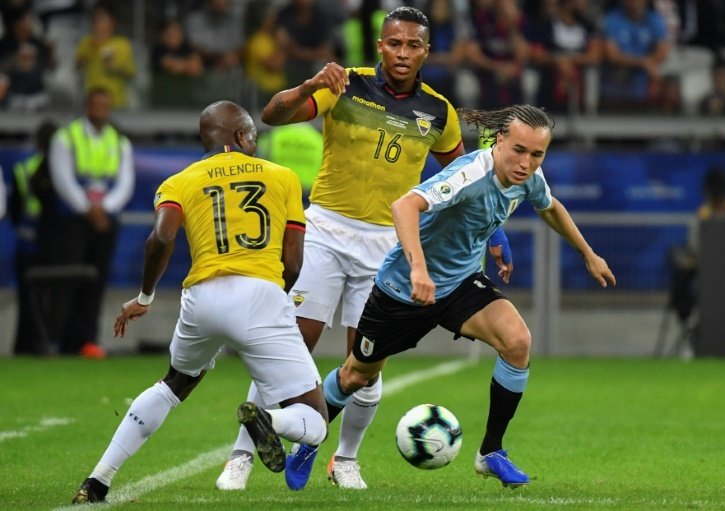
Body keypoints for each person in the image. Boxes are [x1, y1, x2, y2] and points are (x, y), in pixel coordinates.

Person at [215, 6, 512, 493]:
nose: (403, 53)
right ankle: (242, 455)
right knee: (291, 346)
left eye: (413, 45)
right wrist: (311, 85)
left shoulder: (438, 110)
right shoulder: (343, 83)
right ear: (380, 46)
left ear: (426, 51)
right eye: (394, 43)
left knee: (367, 361)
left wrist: (495, 236)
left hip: (386, 246)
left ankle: (345, 459)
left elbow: (464, 179)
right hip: (327, 231)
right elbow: (272, 115)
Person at [319, 104, 616, 488]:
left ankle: (491, 452)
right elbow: (404, 205)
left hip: (459, 285)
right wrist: (418, 268)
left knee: (517, 342)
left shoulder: (529, 177)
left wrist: (588, 254)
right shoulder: (469, 173)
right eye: (519, 151)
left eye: (537, 154)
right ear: (500, 141)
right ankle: (308, 441)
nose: (526, 163)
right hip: (404, 290)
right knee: (355, 375)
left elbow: (551, 207)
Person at [70, 100, 329, 505]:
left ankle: (98, 479)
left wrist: (145, 296)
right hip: (260, 292)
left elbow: (160, 238)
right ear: (241, 136)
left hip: (201, 299)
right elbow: (292, 260)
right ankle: (268, 419)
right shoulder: (284, 178)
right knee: (316, 418)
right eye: (253, 136)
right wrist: (273, 299)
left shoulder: (181, 181)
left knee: (173, 385)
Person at [47, 88, 134, 358]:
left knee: (96, 280)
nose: (99, 110)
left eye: (104, 105)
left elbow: (125, 182)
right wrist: (88, 209)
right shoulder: (66, 137)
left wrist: (104, 209)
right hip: (73, 220)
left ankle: (87, 340)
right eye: (95, 104)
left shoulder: (119, 142)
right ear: (86, 106)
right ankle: (56, 340)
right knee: (67, 278)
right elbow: (62, 179)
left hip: (105, 221)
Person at [8, 120, 58, 355]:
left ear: (37, 143)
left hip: (28, 240)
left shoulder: (24, 167)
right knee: (54, 297)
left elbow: (14, 209)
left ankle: (25, 347)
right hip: (55, 244)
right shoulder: (62, 169)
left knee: (28, 300)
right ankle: (49, 345)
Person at [75, 2, 135, 109]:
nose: (97, 24)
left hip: (116, 103)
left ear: (112, 22)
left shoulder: (122, 44)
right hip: (92, 103)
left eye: (102, 19)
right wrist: (90, 51)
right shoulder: (86, 42)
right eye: (94, 20)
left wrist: (113, 67)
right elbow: (78, 67)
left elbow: (130, 73)